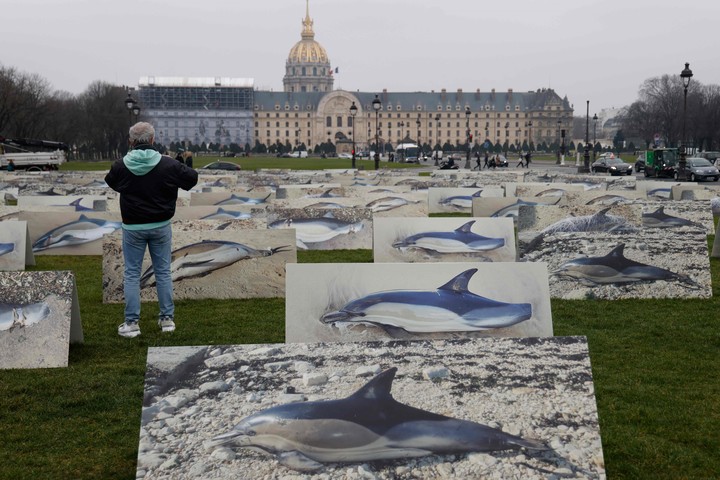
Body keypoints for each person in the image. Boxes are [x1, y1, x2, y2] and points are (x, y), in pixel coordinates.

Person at [105, 122, 198, 338]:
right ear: (153, 140)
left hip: (133, 226)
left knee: (131, 274)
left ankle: (132, 323)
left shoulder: (120, 165)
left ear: (131, 141)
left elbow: (112, 182)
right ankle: (167, 320)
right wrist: (182, 165)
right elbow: (191, 179)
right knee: (163, 271)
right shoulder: (168, 165)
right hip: (160, 225)